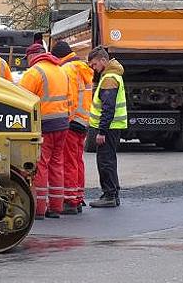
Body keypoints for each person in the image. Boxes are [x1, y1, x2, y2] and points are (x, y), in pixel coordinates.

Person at [19, 43, 70, 219]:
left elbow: (20, 100)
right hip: (62, 124)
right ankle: (56, 207)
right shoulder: (61, 70)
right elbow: (69, 98)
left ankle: (39, 209)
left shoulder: (34, 72)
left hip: (44, 125)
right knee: (56, 164)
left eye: (28, 59)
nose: (27, 63)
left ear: (33, 56)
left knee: (41, 164)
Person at [51, 41, 93, 215]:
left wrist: (66, 119)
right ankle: (78, 195)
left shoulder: (67, 70)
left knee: (68, 162)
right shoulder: (82, 68)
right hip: (83, 120)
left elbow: (71, 98)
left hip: (72, 121)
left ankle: (69, 200)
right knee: (77, 160)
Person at [87, 47, 127, 208]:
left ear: (103, 61)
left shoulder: (109, 79)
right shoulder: (112, 75)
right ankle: (112, 192)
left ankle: (109, 195)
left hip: (108, 128)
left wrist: (102, 131)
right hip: (113, 126)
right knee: (109, 159)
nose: (93, 68)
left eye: (94, 64)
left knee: (105, 161)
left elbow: (108, 107)